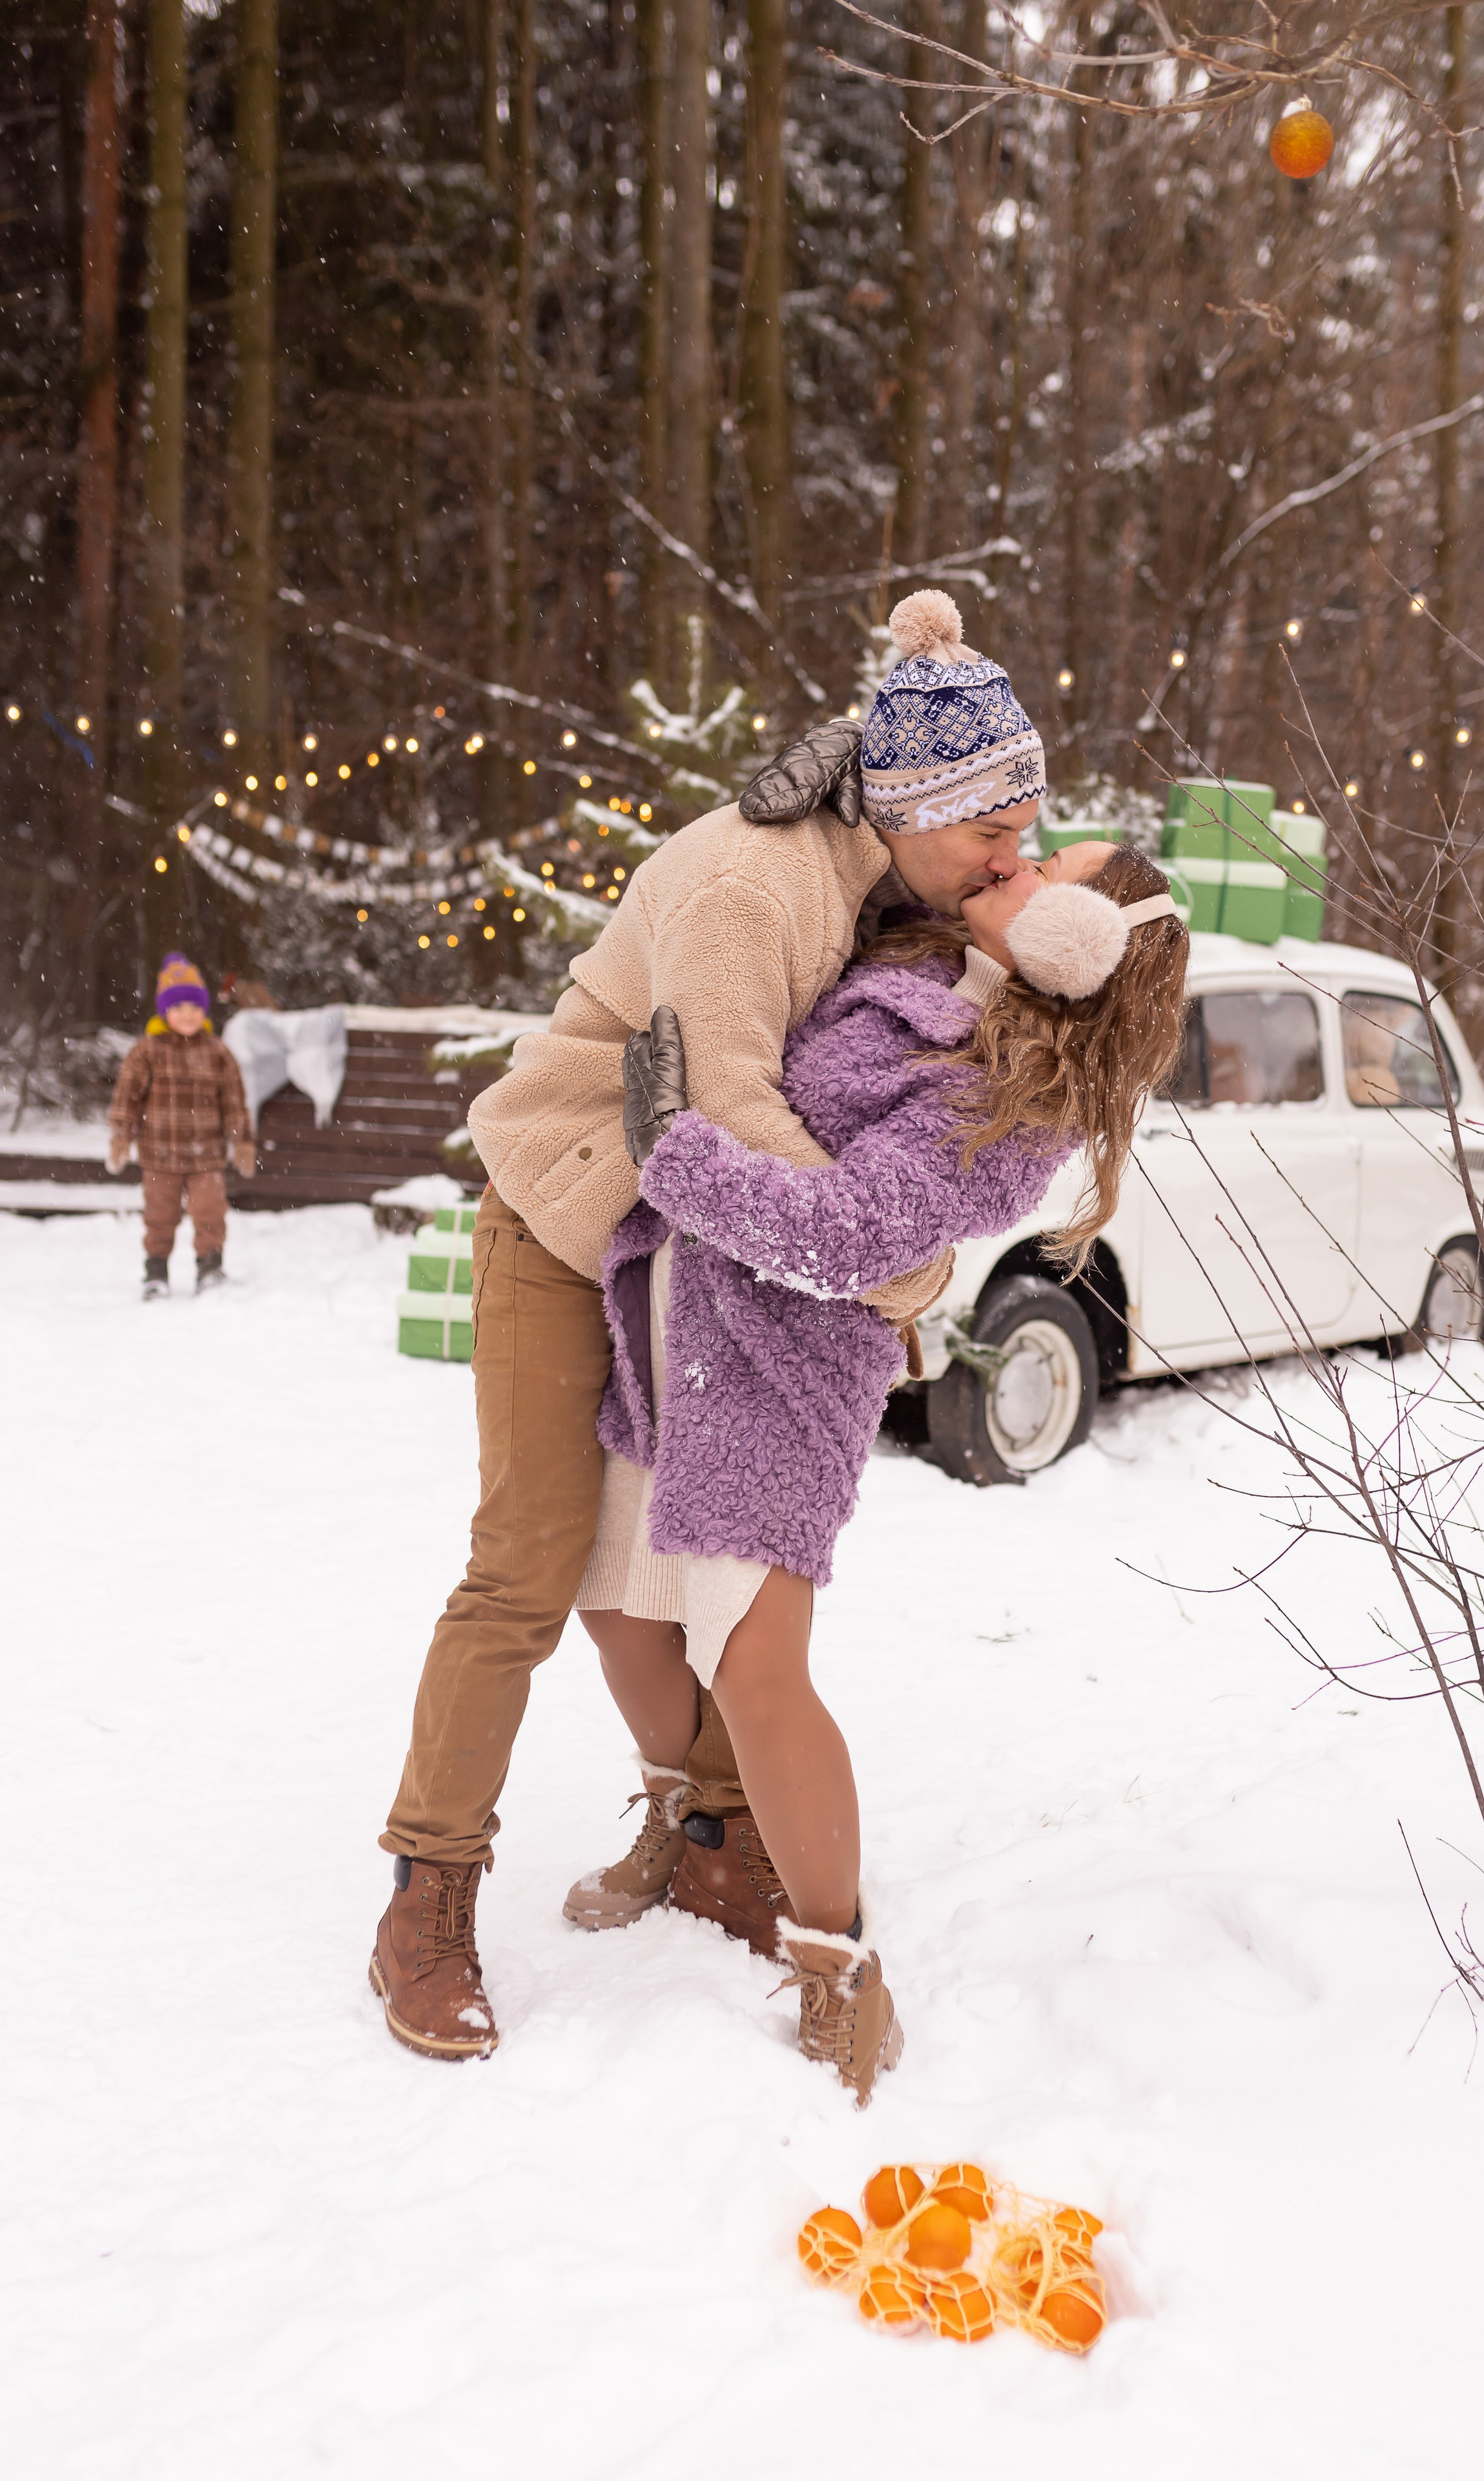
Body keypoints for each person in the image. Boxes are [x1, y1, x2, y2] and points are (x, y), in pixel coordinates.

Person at [371, 588, 1043, 2062]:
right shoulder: (754, 890)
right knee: (534, 1561)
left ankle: (717, 1842)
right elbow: (732, 1126)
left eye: (1028, 822)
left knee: (711, 1559)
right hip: (568, 1220)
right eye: (994, 827)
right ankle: (426, 1893)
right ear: (914, 805)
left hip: (702, 1247)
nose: (1018, 857)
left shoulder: (900, 893)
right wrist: (902, 1280)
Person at [575, 836, 1189, 2101]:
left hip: (782, 1368)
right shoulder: (909, 961)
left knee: (753, 1664)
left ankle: (836, 1959)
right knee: (617, 1609)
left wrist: (675, 1151)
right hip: (673, 1312)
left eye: (1043, 878)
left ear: (1084, 944)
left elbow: (850, 1232)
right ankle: (690, 1823)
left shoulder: (1012, 1097)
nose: (1012, 872)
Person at [108, 951, 254, 1300]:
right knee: (160, 1216)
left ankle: (211, 1267)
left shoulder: (218, 1053)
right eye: (179, 1008)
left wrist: (243, 1142)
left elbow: (234, 1102)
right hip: (160, 1155)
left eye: (194, 1007)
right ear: (165, 1011)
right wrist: (121, 1137)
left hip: (207, 1156)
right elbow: (127, 1097)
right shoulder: (146, 1052)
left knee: (210, 1214)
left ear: (204, 1011)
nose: (187, 1014)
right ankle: (156, 1271)